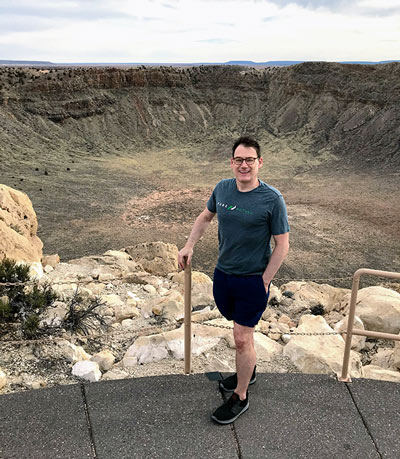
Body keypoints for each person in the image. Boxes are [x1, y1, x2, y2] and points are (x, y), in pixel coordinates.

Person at [177, 136, 290, 425]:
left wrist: (264, 281)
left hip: (252, 280)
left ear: (259, 162)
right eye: (239, 160)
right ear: (232, 162)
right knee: (238, 332)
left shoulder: (272, 199)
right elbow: (205, 217)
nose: (244, 165)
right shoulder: (223, 189)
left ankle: (240, 396)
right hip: (224, 275)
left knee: (242, 338)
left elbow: (282, 244)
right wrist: (188, 245)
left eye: (249, 160)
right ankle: (247, 372)